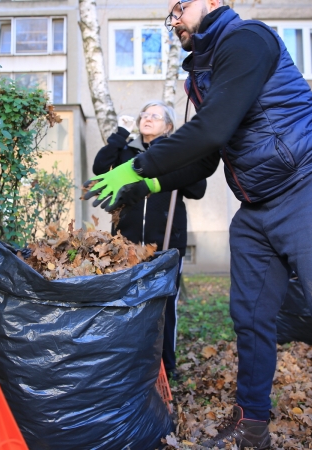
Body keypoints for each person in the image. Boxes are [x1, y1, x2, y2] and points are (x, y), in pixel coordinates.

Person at [84, 1, 312, 449]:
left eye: (181, 5)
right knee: (251, 318)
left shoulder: (247, 40)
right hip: (257, 205)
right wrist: (146, 185)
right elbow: (204, 158)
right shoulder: (203, 72)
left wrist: (138, 165)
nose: (174, 17)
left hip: (311, 185)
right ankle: (251, 425)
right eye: (170, 12)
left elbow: (213, 130)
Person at [92, 100, 206, 380]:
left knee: (164, 304)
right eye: (145, 114)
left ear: (168, 126)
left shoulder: (176, 153)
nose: (147, 118)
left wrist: (184, 157)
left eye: (155, 115)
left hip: (166, 243)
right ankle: (129, 361)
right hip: (126, 243)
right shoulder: (127, 151)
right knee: (126, 302)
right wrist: (119, 135)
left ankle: (167, 364)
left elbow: (197, 188)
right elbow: (99, 167)